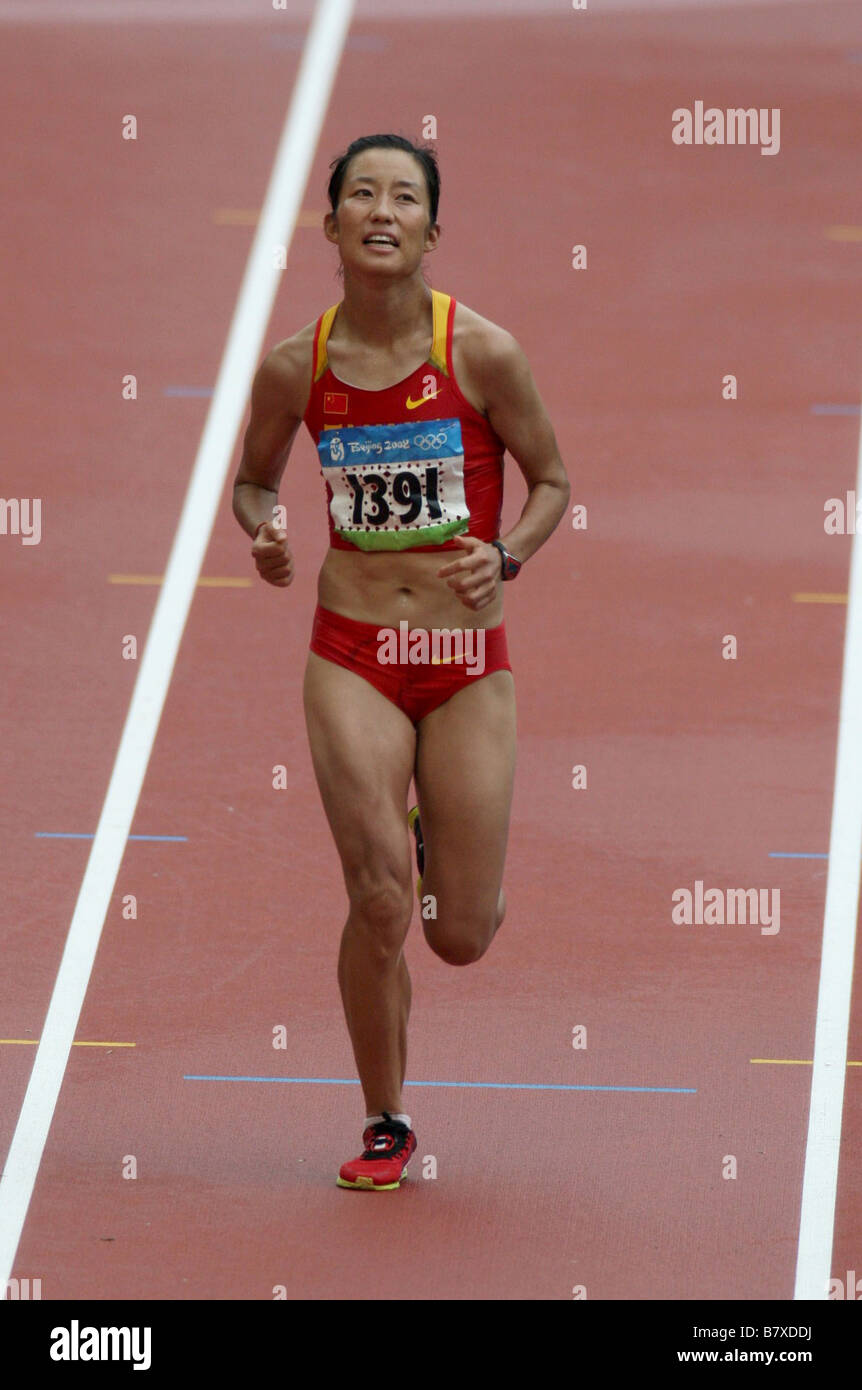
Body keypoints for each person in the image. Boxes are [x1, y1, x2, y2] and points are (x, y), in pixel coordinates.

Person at [233, 133, 569, 1190]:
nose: (382, 210)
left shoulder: (483, 352)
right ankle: (385, 1116)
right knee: (381, 899)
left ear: (431, 228)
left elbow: (554, 479)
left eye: (405, 197)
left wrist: (505, 554)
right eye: (361, 195)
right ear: (329, 226)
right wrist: (266, 531)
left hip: (465, 657)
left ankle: (443, 842)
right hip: (354, 656)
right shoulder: (296, 363)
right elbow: (251, 482)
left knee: (458, 932)